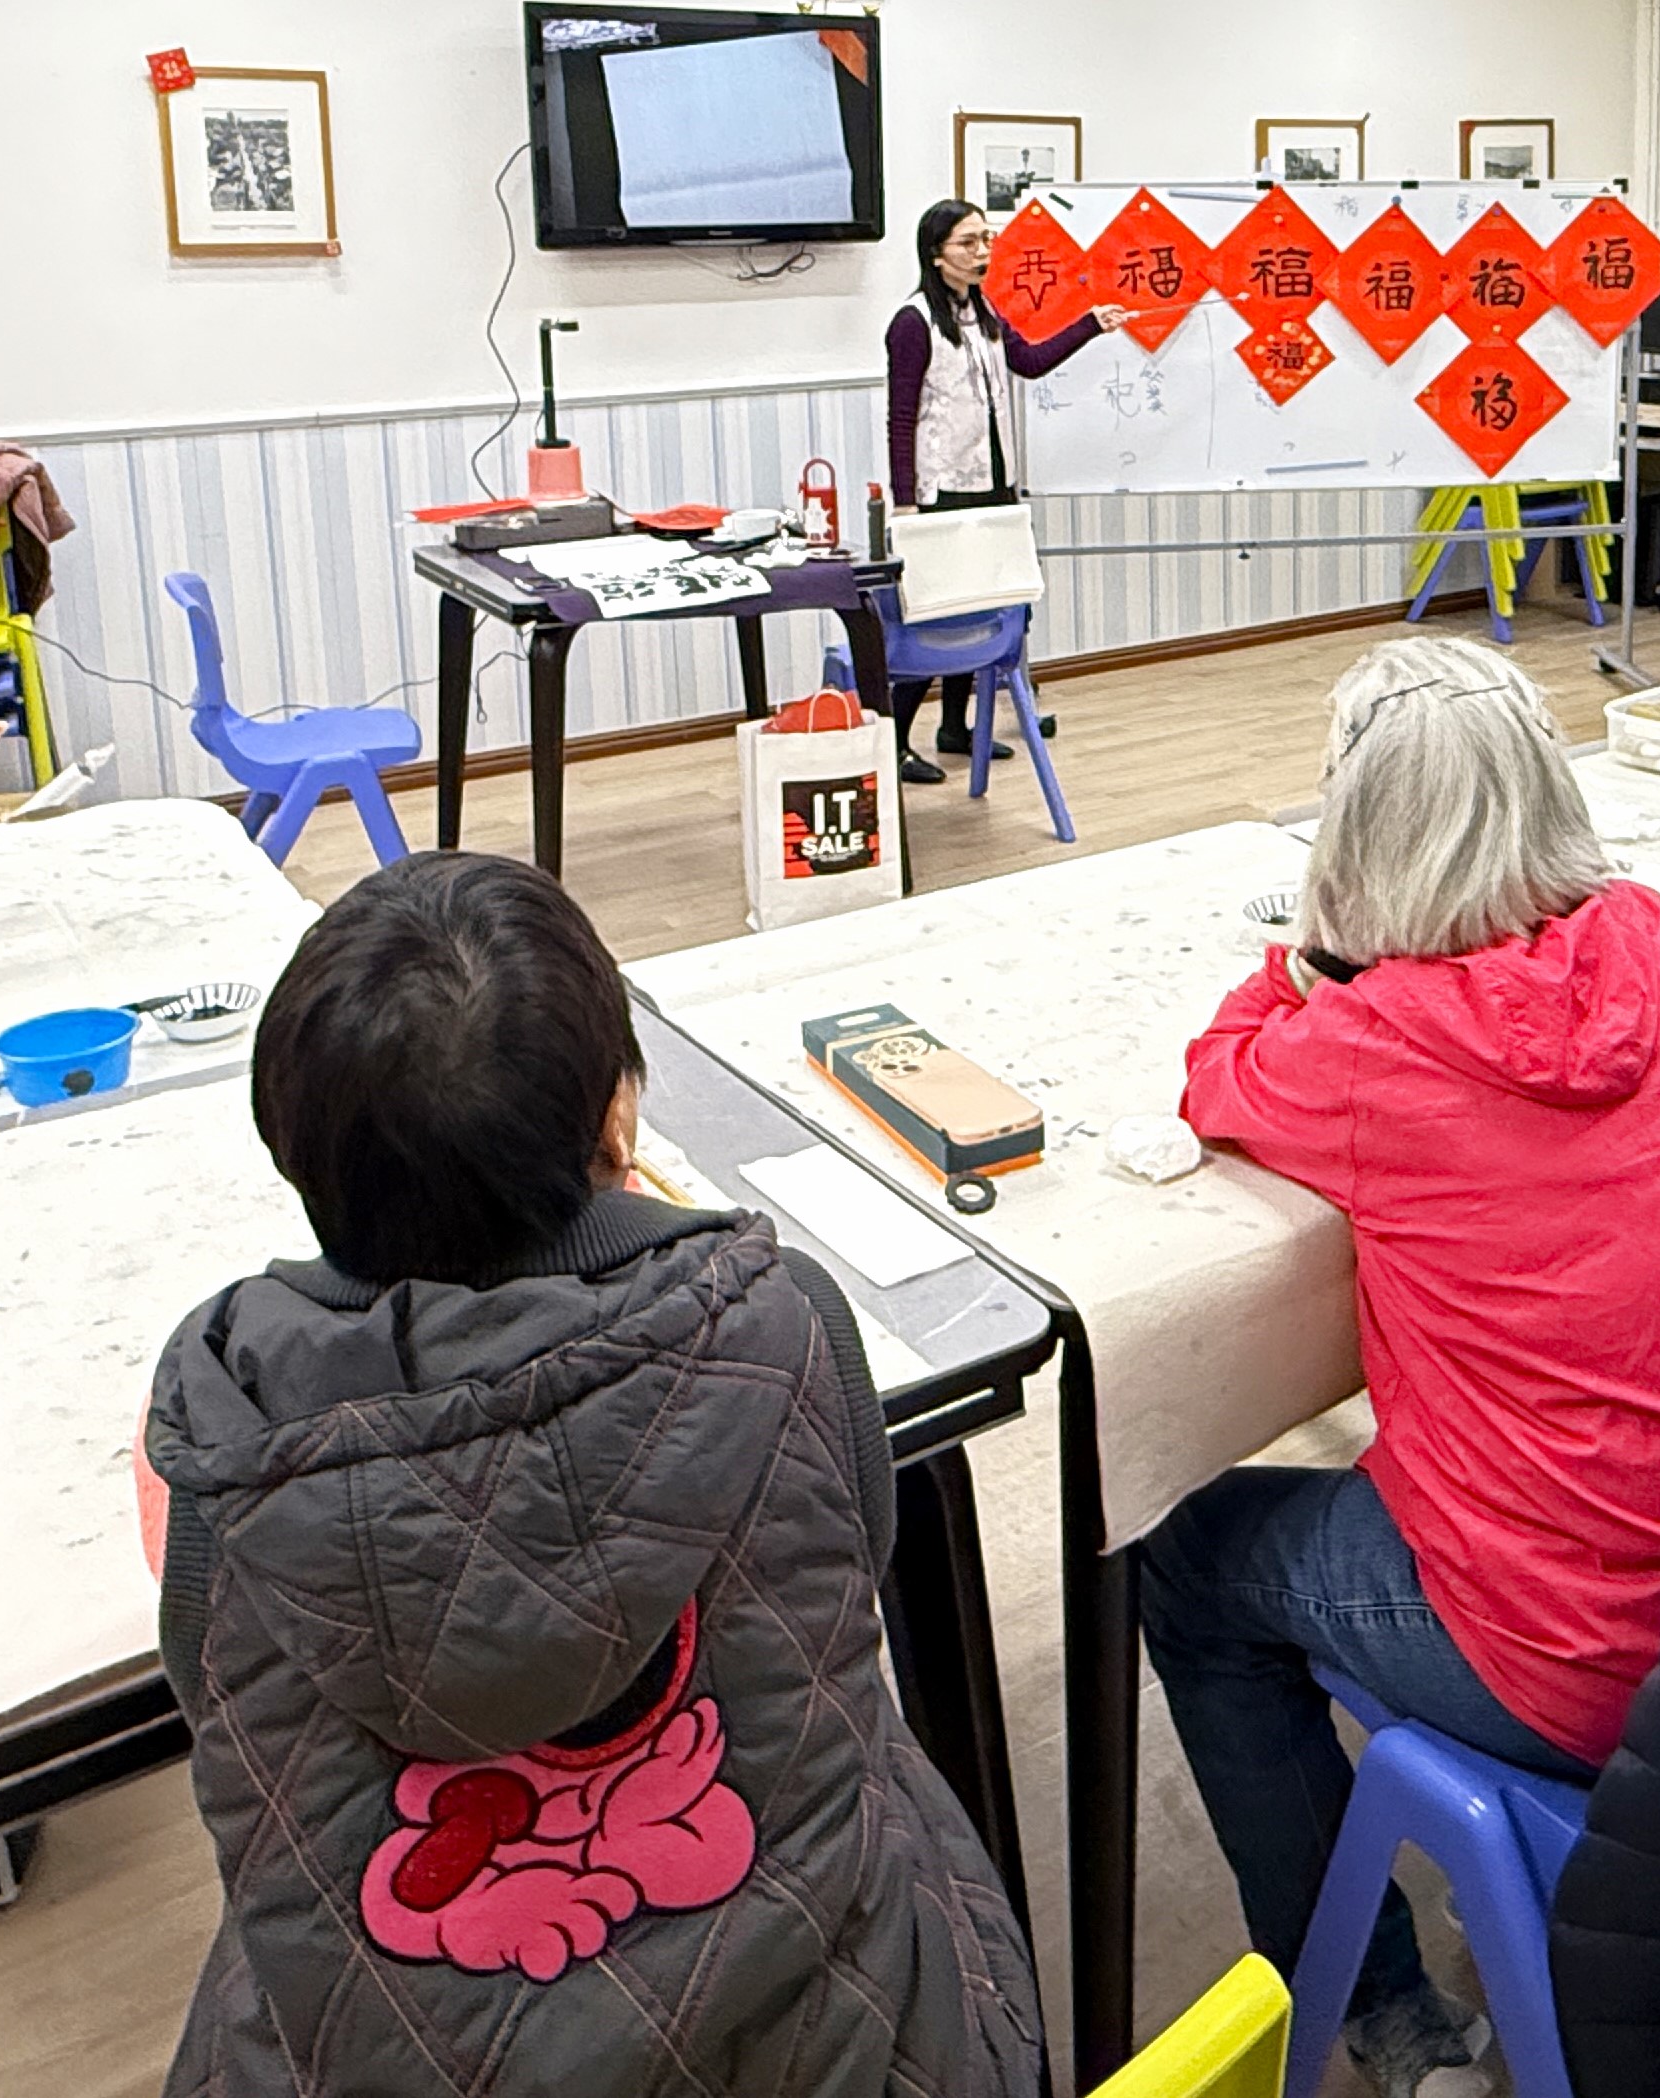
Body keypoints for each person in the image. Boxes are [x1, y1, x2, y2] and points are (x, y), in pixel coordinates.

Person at [140, 853, 1038, 2098]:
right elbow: (858, 1553)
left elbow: (208, 1678)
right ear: (620, 1125)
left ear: (294, 1158)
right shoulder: (779, 1316)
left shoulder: (221, 1417)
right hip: (844, 2050)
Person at [1152, 638, 1660, 2098]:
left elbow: (1215, 1073)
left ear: (1353, 835)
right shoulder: (1655, 939)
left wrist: (1303, 961)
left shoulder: (1363, 1044)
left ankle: (1380, 2007)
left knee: (1188, 1564)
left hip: (1597, 1653)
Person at [884, 195, 1122, 784]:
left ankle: (955, 727)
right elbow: (900, 417)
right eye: (968, 242)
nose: (981, 251)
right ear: (936, 254)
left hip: (994, 484)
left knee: (981, 608)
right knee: (936, 616)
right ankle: (894, 743)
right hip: (943, 490)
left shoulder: (984, 311)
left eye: (986, 239)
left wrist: (1091, 324)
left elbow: (1031, 362)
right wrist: (906, 501)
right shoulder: (912, 323)